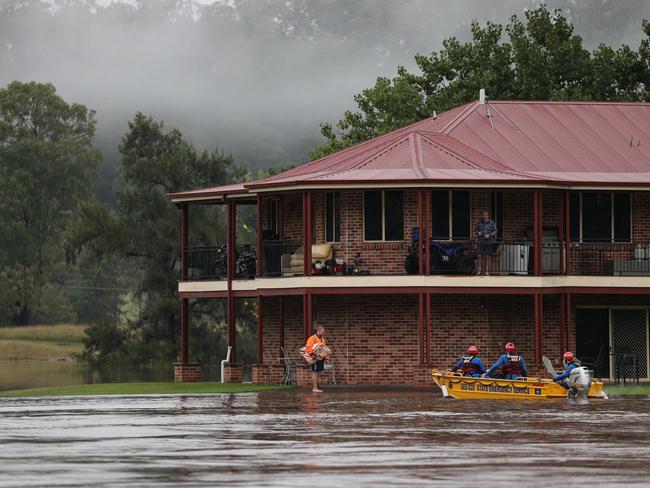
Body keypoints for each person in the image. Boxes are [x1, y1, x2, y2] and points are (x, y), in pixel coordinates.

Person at [305, 325, 328, 393]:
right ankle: (314, 388)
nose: (324, 333)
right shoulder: (312, 338)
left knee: (319, 373)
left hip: (321, 358)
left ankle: (317, 387)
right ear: (318, 331)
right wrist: (312, 354)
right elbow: (308, 346)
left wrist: (326, 358)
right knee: (315, 372)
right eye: (323, 331)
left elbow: (324, 350)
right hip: (315, 358)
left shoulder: (323, 340)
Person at [475, 210, 498, 275]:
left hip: (488, 241)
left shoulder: (492, 222)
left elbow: (495, 231)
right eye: (483, 215)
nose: (485, 216)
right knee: (479, 256)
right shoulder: (479, 222)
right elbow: (475, 230)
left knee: (487, 256)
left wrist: (489, 235)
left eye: (486, 215)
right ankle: (479, 270)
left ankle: (487, 271)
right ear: (482, 215)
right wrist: (478, 232)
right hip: (480, 241)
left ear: (488, 216)